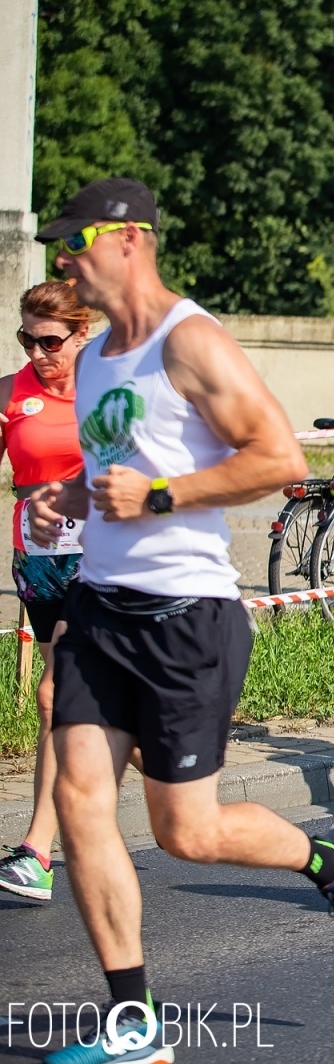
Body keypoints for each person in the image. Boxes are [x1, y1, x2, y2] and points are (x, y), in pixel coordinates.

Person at [29, 177, 334, 1062]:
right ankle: (136, 1021)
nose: (63, 259)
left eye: (74, 242)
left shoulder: (188, 340)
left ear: (127, 241)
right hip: (100, 607)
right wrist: (67, 496)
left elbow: (279, 457)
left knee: (185, 832)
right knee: (81, 798)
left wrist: (162, 494)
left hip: (187, 617)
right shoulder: (99, 357)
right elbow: (115, 461)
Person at [0, 282, 93, 904]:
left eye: (50, 340)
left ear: (81, 333)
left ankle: (37, 849)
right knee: (82, 706)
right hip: (37, 563)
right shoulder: (10, 394)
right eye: (27, 339)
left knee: (54, 690)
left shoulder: (109, 392)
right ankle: (182, 780)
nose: (38, 351)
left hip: (102, 556)